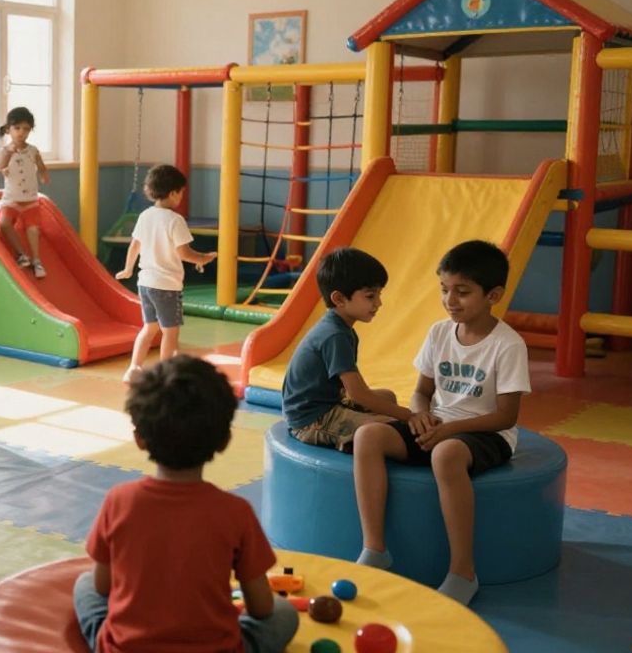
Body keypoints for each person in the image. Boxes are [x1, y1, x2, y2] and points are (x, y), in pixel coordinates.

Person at [74, 355, 299, 653]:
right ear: (224, 441)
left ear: (140, 438)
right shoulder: (236, 512)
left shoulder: (119, 501)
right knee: (284, 614)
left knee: (85, 587)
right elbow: (260, 607)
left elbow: (103, 587)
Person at [351, 240, 529, 605]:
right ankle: (375, 549)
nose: (450, 300)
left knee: (446, 455)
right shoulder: (438, 333)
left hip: (487, 432)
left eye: (462, 292)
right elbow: (421, 392)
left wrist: (448, 429)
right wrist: (421, 415)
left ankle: (463, 572)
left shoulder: (508, 345)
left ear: (493, 294)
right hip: (439, 425)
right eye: (445, 290)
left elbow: (506, 416)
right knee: (368, 435)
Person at [281, 247, 410, 451]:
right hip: (311, 420)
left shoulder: (341, 328)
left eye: (378, 294)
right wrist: (409, 415)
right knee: (392, 428)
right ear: (339, 299)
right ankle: (348, 441)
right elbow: (358, 394)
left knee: (388, 397)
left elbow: (356, 391)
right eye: (370, 296)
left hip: (328, 403)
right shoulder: (335, 335)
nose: (379, 303)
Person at [114, 164, 215, 384]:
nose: (181, 197)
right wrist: (203, 258)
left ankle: (134, 367)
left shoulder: (145, 216)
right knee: (170, 332)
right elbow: (184, 253)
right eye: (181, 192)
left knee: (149, 328)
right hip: (166, 286)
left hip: (145, 283)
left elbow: (134, 246)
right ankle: (164, 374)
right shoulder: (175, 220)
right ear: (173, 193)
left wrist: (128, 268)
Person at [0, 106, 51, 278]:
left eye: (26, 129)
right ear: (8, 130)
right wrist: (8, 155)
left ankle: (37, 261)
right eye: (17, 128)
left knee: (33, 230)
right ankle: (21, 254)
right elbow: (1, 165)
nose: (22, 133)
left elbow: (41, 166)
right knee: (4, 224)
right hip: (11, 198)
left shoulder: (33, 150)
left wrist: (43, 175)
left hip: (29, 199)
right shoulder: (5, 151)